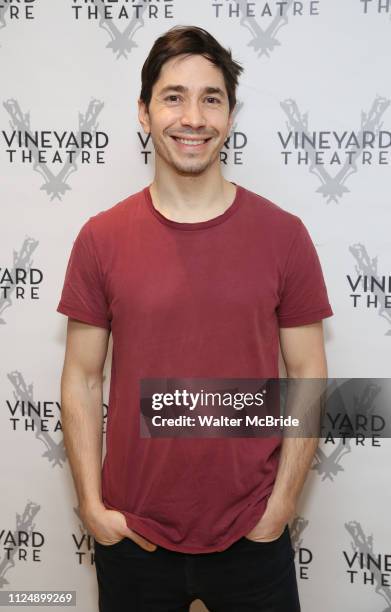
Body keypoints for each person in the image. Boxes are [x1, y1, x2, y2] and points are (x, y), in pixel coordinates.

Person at [57, 25, 333, 612]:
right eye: (173, 96)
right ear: (144, 110)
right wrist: (92, 508)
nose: (193, 116)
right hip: (133, 536)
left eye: (211, 98)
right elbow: (81, 377)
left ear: (231, 114)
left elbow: (308, 372)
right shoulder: (100, 239)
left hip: (252, 535)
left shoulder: (285, 237)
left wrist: (281, 507)